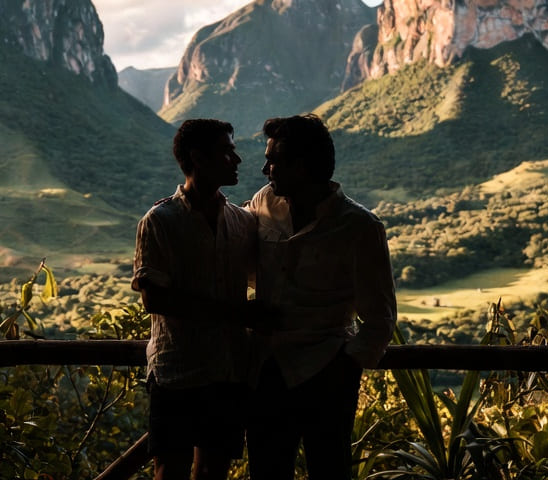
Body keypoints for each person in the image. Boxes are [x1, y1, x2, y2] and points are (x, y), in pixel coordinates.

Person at [246, 113, 397, 480]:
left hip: (325, 372)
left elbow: (380, 317)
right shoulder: (263, 204)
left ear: (303, 166)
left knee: (329, 470)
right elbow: (237, 252)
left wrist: (347, 366)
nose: (266, 168)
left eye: (275, 160)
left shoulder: (359, 227)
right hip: (266, 370)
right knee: (266, 470)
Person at [132, 118, 259, 480]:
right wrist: (238, 314)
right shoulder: (160, 220)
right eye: (227, 151)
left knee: (213, 471)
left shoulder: (242, 222)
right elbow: (155, 299)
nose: (236, 159)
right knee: (169, 470)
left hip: (228, 370)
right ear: (198, 158)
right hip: (177, 372)